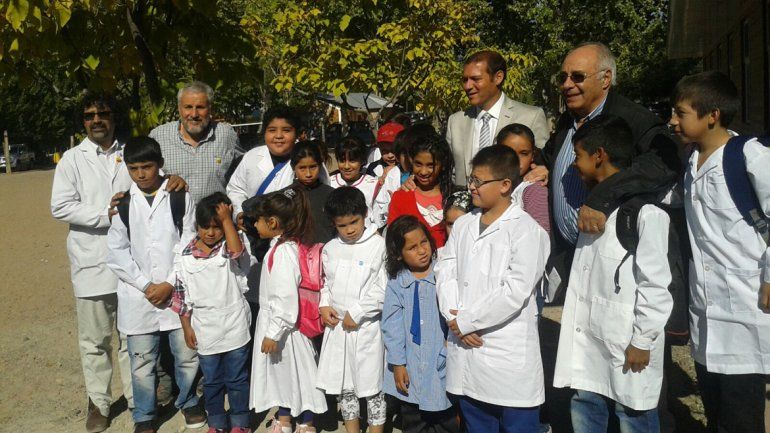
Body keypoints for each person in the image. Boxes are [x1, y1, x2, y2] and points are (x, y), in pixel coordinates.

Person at [50, 93, 177, 432]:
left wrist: (175, 181)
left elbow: (155, 181)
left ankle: (138, 400)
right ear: (83, 121)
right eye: (89, 115)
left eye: (102, 113)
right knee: (94, 340)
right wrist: (104, 214)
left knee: (131, 337)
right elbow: (60, 207)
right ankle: (99, 401)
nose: (96, 120)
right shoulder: (72, 160)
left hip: (134, 267)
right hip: (91, 261)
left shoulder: (130, 153)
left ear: (112, 118)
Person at [552, 115, 673, 433]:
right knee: (586, 405)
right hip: (590, 343)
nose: (574, 165)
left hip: (627, 345)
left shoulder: (645, 214)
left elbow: (656, 285)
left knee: (632, 414)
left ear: (599, 155)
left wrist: (642, 340)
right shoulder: (593, 210)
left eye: (578, 156)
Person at [533, 42, 680, 299]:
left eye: (577, 77)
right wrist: (541, 166)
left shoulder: (632, 119)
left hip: (614, 259)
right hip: (571, 255)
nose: (567, 84)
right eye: (563, 77)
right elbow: (551, 156)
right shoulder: (569, 118)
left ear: (605, 79)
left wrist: (602, 198)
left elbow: (663, 163)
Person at [669, 71, 770, 433]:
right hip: (706, 312)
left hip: (747, 306)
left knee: (742, 414)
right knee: (716, 411)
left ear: (712, 114)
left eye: (681, 113)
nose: (673, 121)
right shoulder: (690, 165)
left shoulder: (748, 156)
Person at [435, 145, 550, 433]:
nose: (471, 187)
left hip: (505, 354)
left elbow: (515, 290)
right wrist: (454, 318)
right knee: (477, 424)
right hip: (466, 348)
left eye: (479, 181)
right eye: (471, 179)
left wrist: (466, 321)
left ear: (505, 185)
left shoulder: (526, 231)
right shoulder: (463, 225)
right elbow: (445, 268)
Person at [105, 136, 204, 433]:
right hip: (139, 296)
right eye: (134, 168)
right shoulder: (123, 204)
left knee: (186, 354)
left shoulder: (179, 196)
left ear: (160, 165)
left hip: (176, 288)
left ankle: (188, 402)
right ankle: (145, 415)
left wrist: (169, 282)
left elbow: (188, 241)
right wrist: (146, 284)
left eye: (147, 167)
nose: (141, 174)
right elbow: (117, 252)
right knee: (141, 360)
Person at [247, 188, 327, 433]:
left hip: (287, 330)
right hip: (281, 327)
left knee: (299, 375)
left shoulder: (283, 253)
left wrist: (274, 332)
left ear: (272, 222)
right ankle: (284, 419)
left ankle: (305, 421)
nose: (255, 226)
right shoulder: (281, 246)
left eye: (257, 221)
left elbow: (285, 298)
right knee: (282, 375)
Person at [172, 193, 253, 433]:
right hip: (204, 329)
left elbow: (237, 252)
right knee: (213, 381)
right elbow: (180, 296)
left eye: (216, 227)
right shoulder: (184, 256)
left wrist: (227, 220)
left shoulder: (230, 248)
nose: (210, 233)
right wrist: (187, 327)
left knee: (237, 379)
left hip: (234, 325)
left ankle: (240, 422)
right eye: (205, 227)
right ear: (196, 226)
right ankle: (216, 422)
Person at [316, 186, 389, 433]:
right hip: (338, 328)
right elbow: (325, 282)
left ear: (365, 214)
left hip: (366, 328)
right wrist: (324, 304)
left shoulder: (378, 246)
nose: (349, 230)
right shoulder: (331, 248)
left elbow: (382, 289)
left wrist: (357, 312)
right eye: (342, 225)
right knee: (345, 385)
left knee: (371, 385)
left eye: (354, 222)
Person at [382, 215, 460, 433]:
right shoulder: (398, 284)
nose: (422, 251)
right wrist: (398, 363)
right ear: (399, 254)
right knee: (414, 420)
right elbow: (391, 325)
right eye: (412, 248)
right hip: (411, 365)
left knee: (447, 420)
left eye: (423, 242)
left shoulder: (443, 276)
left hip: (441, 360)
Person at [446, 50, 549, 185]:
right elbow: (446, 171)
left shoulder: (531, 117)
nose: (467, 86)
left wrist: (545, 170)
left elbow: (543, 166)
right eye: (465, 80)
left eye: (475, 79)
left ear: (498, 77)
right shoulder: (456, 122)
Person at [150, 81, 239, 203]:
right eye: (188, 107)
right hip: (174, 219)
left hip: (216, 218)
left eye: (200, 107)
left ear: (210, 108)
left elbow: (242, 175)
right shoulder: (158, 137)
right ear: (179, 109)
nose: (194, 114)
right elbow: (144, 175)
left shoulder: (227, 135)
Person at [388, 134, 455, 248]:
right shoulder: (401, 197)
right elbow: (393, 241)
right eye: (418, 164)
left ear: (442, 165)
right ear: (411, 161)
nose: (423, 172)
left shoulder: (455, 198)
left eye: (430, 165)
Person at [275, 140, 336, 244]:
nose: (308, 174)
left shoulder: (332, 195)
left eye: (313, 167)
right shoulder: (285, 196)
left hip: (327, 254)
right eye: (302, 168)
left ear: (320, 165)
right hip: (295, 256)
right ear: (293, 167)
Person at [496, 123, 550, 234]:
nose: (516, 159)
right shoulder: (491, 183)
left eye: (524, 153)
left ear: (533, 155)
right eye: (508, 152)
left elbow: (539, 237)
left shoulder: (534, 189)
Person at [330, 137, 388, 228]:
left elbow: (379, 220)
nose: (346, 166)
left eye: (352, 161)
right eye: (342, 161)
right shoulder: (329, 183)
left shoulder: (374, 185)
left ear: (362, 161)